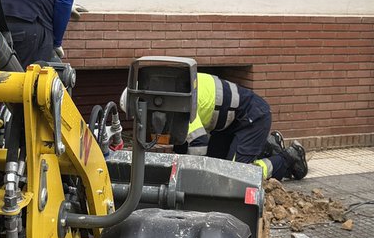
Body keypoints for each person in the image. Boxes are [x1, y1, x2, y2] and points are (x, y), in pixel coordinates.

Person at [122, 73, 308, 182]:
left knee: (235, 177)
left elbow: (199, 143)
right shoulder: (173, 91)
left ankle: (287, 158)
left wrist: (192, 180)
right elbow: (183, 143)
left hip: (253, 117)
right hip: (231, 124)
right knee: (217, 169)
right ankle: (265, 145)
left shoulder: (179, 105)